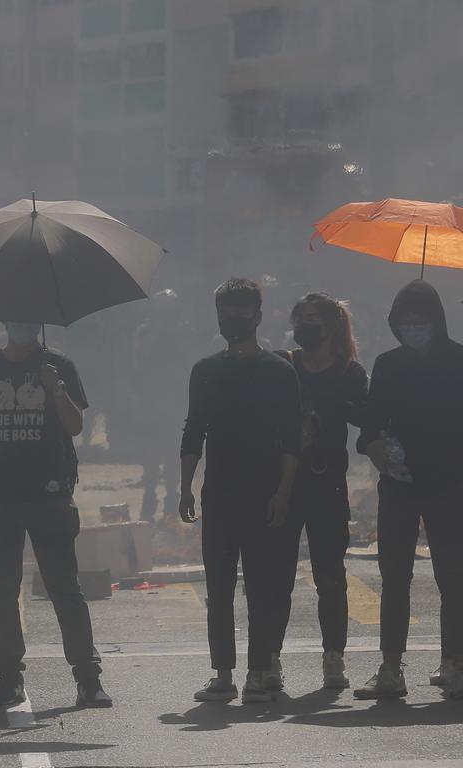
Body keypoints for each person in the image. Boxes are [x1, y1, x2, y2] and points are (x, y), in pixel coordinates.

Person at [0, 321, 112, 709]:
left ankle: (87, 678)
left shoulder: (59, 365)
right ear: (5, 323)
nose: (22, 325)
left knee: (65, 588)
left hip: (50, 495)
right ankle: (9, 678)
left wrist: (55, 389)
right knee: (4, 593)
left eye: (29, 318)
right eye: (15, 318)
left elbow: (76, 425)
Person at [179, 278, 300, 705]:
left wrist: (284, 491)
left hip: (264, 492)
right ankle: (224, 675)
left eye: (239, 311)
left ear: (257, 316)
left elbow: (291, 437)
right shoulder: (206, 371)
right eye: (225, 312)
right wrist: (185, 487)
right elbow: (194, 430)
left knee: (263, 586)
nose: (232, 319)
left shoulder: (279, 371)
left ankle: (259, 672)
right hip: (219, 493)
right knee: (219, 587)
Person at [354, 280, 463, 701]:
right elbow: (369, 425)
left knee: (453, 577)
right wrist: (375, 447)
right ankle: (390, 667)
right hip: (398, 484)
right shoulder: (387, 364)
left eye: (421, 322)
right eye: (406, 322)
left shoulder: (458, 361)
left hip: (450, 484)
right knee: (394, 576)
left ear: (437, 321)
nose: (414, 329)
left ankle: (454, 662)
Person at [271, 294, 368, 691]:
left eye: (313, 319)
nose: (304, 325)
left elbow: (367, 416)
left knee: (330, 577)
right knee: (277, 577)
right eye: (300, 318)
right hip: (285, 485)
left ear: (330, 326)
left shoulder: (349, 372)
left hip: (327, 485)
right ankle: (269, 658)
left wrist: (332, 406)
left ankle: (334, 659)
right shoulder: (283, 365)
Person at [131, 289, 186, 520]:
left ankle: (171, 500)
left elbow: (184, 366)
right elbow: (137, 363)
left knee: (172, 454)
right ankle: (150, 496)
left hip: (172, 401)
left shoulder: (182, 332)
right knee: (151, 454)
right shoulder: (145, 332)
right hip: (152, 401)